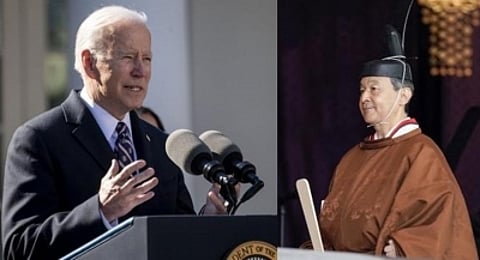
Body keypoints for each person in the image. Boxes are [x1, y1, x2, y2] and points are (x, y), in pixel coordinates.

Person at [1, 5, 230, 259]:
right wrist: (101, 211)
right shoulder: (38, 139)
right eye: (128, 57)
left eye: (147, 59)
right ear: (89, 63)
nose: (141, 71)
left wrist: (210, 220)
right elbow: (18, 248)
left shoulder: (163, 146)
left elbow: (176, 240)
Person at [312, 57, 478, 259]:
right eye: (361, 90)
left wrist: (405, 246)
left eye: (374, 89)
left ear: (404, 95)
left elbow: (439, 217)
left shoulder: (422, 152)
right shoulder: (352, 157)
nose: (364, 97)